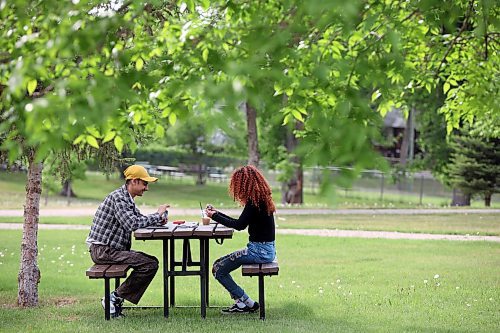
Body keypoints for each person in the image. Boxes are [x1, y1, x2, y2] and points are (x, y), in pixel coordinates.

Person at [86, 165, 170, 318]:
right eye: (145, 184)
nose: (147, 188)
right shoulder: (119, 198)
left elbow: (138, 219)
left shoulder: (126, 199)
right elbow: (131, 224)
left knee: (150, 263)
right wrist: (157, 215)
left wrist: (159, 220)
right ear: (134, 181)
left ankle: (115, 299)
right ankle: (113, 298)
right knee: (149, 264)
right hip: (104, 251)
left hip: (110, 250)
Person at [205, 165, 276, 314]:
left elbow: (238, 225)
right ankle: (241, 304)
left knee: (218, 269)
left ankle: (248, 303)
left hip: (259, 251)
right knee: (218, 265)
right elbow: (240, 221)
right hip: (264, 250)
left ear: (244, 184)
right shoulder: (260, 200)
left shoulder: (254, 203)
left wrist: (214, 216)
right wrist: (216, 213)